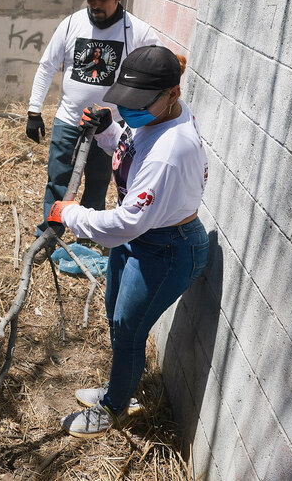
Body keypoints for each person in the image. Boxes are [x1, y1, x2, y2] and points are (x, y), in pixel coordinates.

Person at [46, 46, 209, 437]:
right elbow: (130, 150)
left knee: (129, 329)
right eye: (125, 102)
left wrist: (70, 213)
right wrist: (107, 130)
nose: (129, 111)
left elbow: (127, 222)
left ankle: (115, 408)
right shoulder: (154, 116)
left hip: (165, 248)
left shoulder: (172, 149)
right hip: (143, 238)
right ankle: (120, 388)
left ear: (172, 93)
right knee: (117, 316)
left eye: (137, 104)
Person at [26, 0, 163, 237]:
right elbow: (46, 66)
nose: (95, 5)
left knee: (99, 181)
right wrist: (33, 111)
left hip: (109, 126)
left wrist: (145, 118)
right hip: (69, 119)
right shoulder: (71, 24)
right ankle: (50, 235)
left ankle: (88, 237)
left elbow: (158, 72)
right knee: (58, 180)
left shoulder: (138, 32)